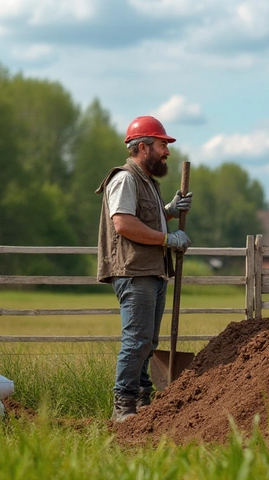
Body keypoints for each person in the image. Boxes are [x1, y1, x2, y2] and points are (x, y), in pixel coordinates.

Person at [96, 115, 193, 422]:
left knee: (148, 341)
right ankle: (123, 405)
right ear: (143, 147)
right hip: (135, 271)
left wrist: (169, 213)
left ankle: (141, 399)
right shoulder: (125, 178)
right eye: (163, 145)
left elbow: (144, 217)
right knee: (137, 340)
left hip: (152, 270)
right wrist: (168, 238)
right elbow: (124, 224)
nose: (167, 152)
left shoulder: (147, 181)